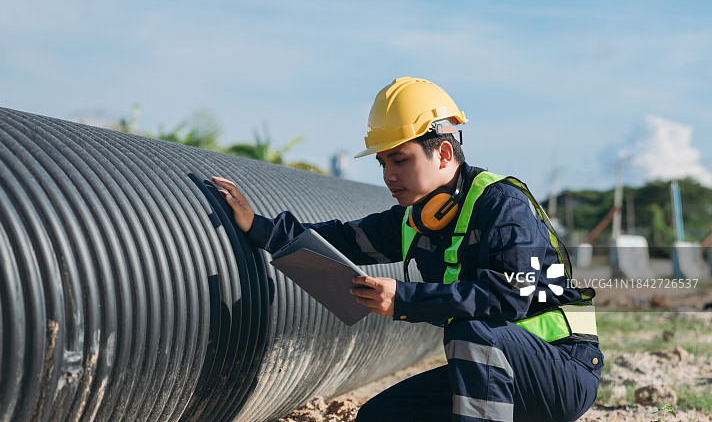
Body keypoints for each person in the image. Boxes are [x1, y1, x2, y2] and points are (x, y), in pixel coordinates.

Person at [212, 77, 602, 422]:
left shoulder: (503, 207)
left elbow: (507, 297)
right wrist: (257, 226)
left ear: (444, 153)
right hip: (494, 371)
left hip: (560, 373)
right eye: (383, 162)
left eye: (400, 159)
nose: (388, 175)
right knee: (380, 415)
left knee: (472, 326)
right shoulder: (416, 218)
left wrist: (404, 298)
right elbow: (341, 241)